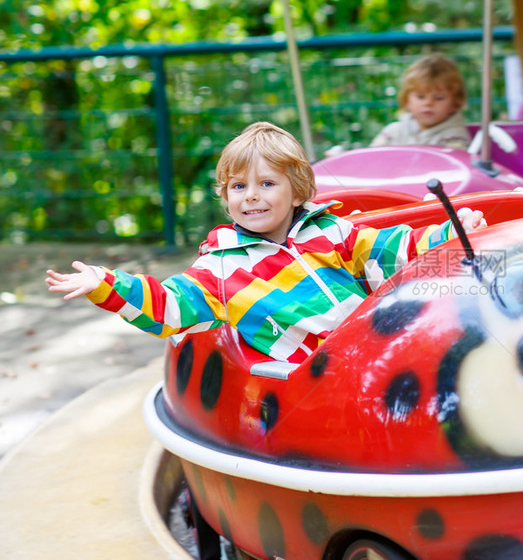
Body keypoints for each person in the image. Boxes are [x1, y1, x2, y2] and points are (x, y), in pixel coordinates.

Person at [46, 121, 485, 376]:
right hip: (314, 381)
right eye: (239, 187)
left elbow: (390, 250)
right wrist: (105, 284)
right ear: (226, 196)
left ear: (297, 194)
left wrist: (450, 233)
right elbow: (169, 308)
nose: (251, 196)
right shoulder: (221, 269)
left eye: (267, 184)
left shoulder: (329, 231)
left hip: (374, 352)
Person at [370, 53, 472, 149]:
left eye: (439, 98)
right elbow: (372, 157)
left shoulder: (456, 138)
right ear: (407, 101)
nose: (428, 103)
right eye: (420, 97)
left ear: (455, 103)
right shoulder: (392, 132)